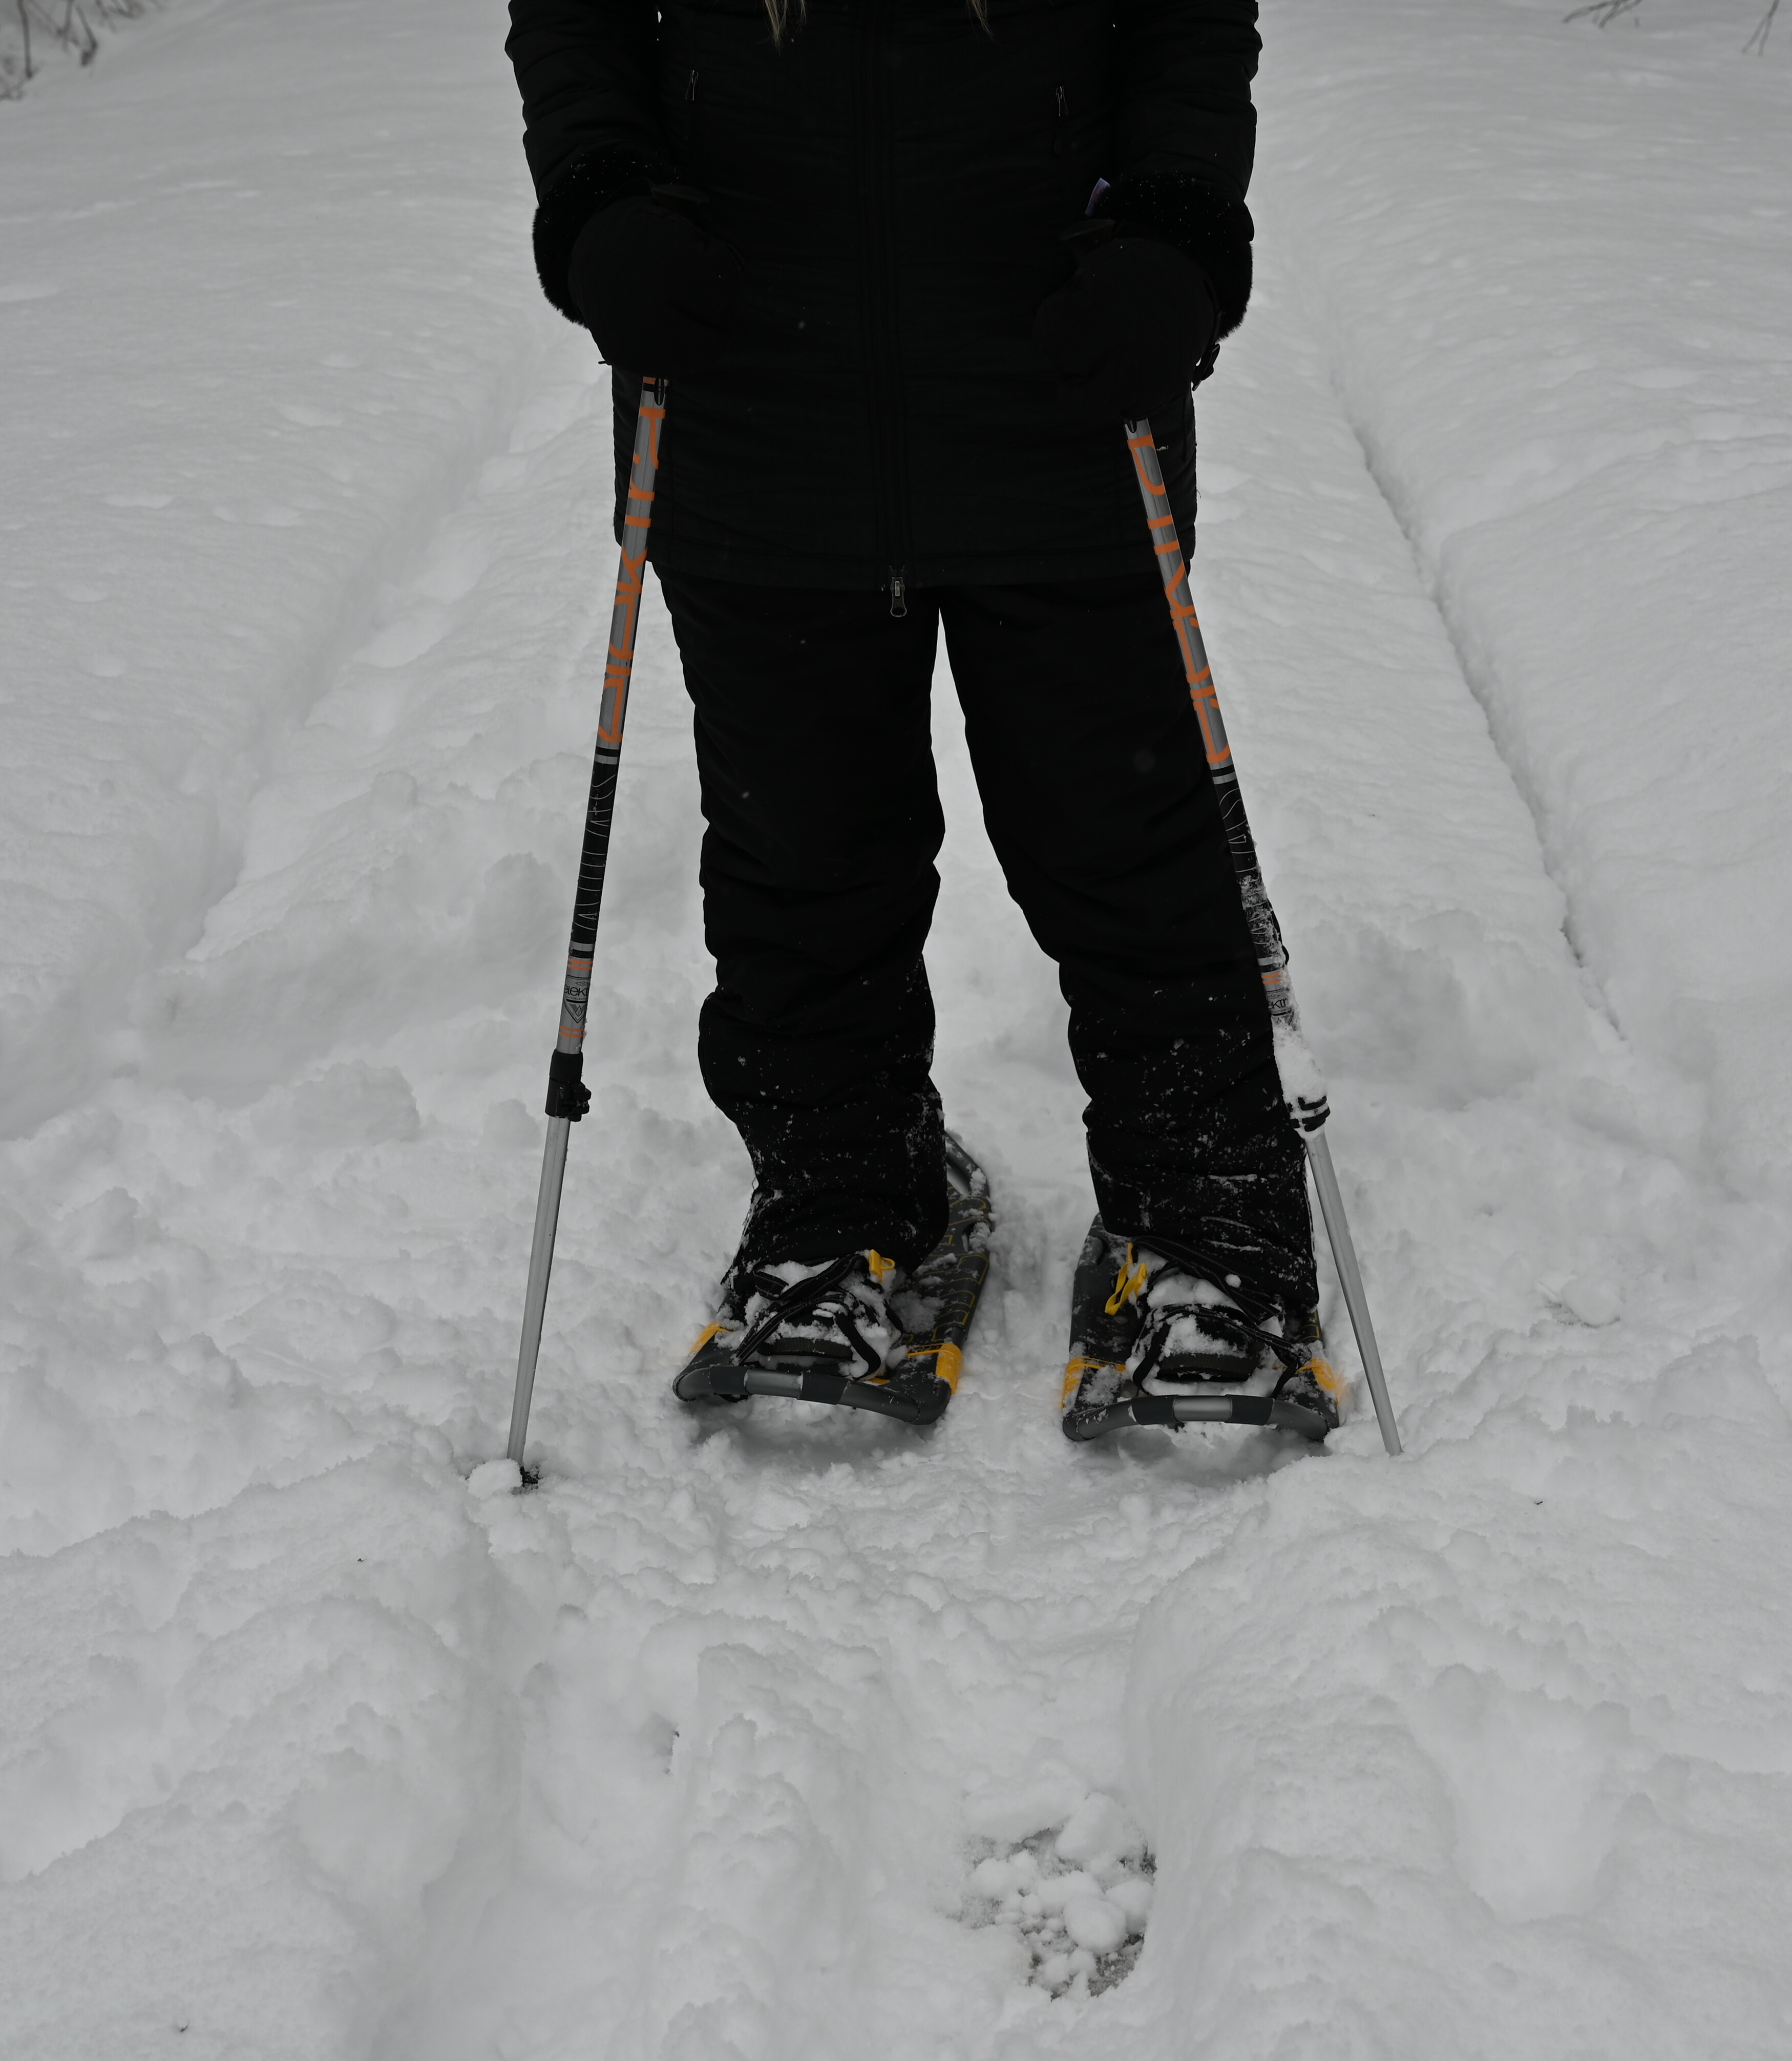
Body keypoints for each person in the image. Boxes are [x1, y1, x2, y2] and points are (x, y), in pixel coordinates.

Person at [503, 0, 1339, 1439]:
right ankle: (845, 1203)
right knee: (801, 854)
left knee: (1123, 836)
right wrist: (598, 201)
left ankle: (1205, 1221)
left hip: (1061, 379)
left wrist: (1178, 223)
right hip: (750, 395)